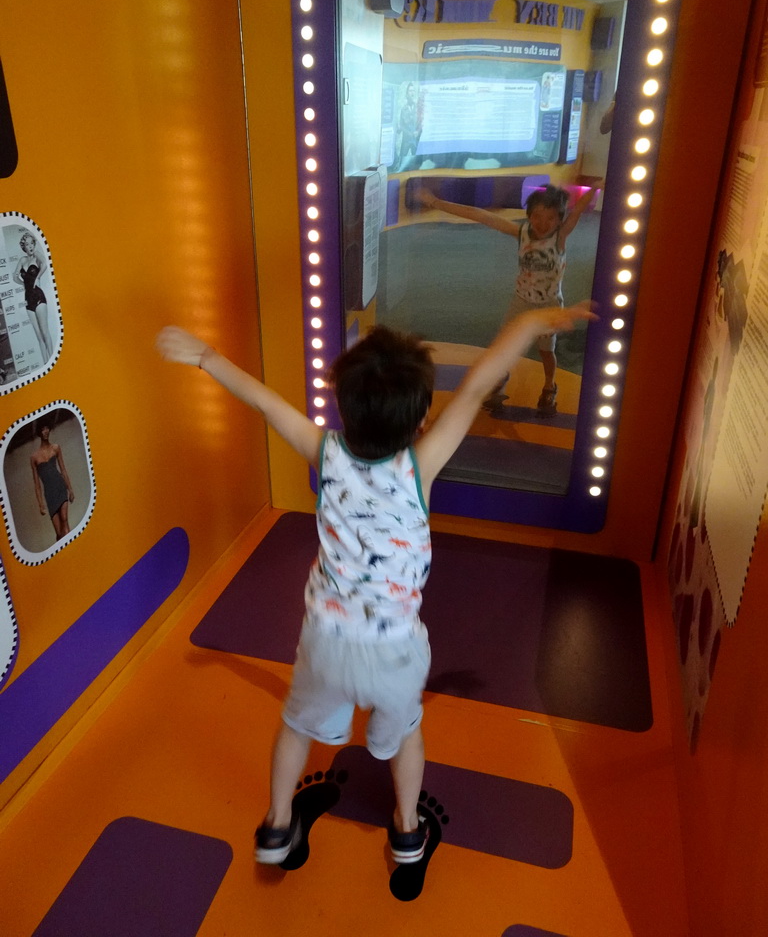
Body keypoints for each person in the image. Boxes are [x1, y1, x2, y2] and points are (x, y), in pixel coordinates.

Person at [156, 301, 595, 867]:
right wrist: (532, 324)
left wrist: (205, 357)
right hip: (395, 651)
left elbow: (266, 403)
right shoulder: (422, 462)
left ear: (342, 409)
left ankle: (276, 826)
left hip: (325, 642)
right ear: (418, 423)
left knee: (295, 728)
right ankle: (407, 832)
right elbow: (481, 380)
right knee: (405, 737)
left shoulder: (325, 451)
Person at [415, 181, 601, 416]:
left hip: (549, 305)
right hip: (521, 301)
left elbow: (577, 212)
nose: (543, 224)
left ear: (559, 220)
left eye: (551, 218)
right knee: (504, 346)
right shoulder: (521, 232)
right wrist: (436, 203)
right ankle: (499, 382)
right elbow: (481, 216)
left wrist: (595, 188)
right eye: (537, 216)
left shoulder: (560, 237)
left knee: (546, 351)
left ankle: (549, 385)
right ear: (529, 215)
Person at [30, 420, 74, 541]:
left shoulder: (56, 448)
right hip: (49, 493)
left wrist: (70, 489)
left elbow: (63, 470)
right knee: (59, 532)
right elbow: (37, 484)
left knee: (65, 519)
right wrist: (40, 504)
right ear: (39, 432)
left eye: (47, 428)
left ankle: (72, 546)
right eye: (43, 429)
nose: (46, 431)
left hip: (60, 486)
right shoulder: (34, 457)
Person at [13, 232, 53, 363]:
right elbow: (15, 276)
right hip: (28, 300)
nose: (30, 246)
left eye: (32, 243)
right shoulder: (22, 260)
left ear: (34, 244)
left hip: (38, 296)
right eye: (27, 244)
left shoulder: (36, 256)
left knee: (45, 332)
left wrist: (37, 277)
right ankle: (46, 364)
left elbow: (46, 264)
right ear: (23, 247)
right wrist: (23, 284)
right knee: (39, 337)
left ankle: (53, 361)